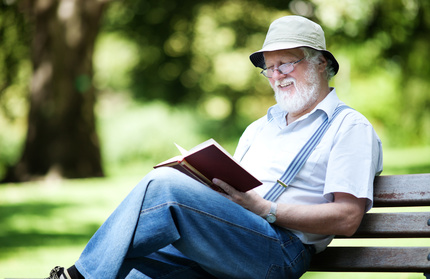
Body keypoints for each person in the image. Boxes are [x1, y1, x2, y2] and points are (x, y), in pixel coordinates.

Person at [47, 15, 383, 279]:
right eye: (269, 66)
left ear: (321, 63)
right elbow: (234, 198)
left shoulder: (349, 126)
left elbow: (348, 218)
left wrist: (264, 208)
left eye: (287, 63)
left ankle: (76, 277)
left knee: (164, 187)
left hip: (278, 254)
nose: (277, 75)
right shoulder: (259, 128)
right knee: (130, 265)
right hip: (229, 245)